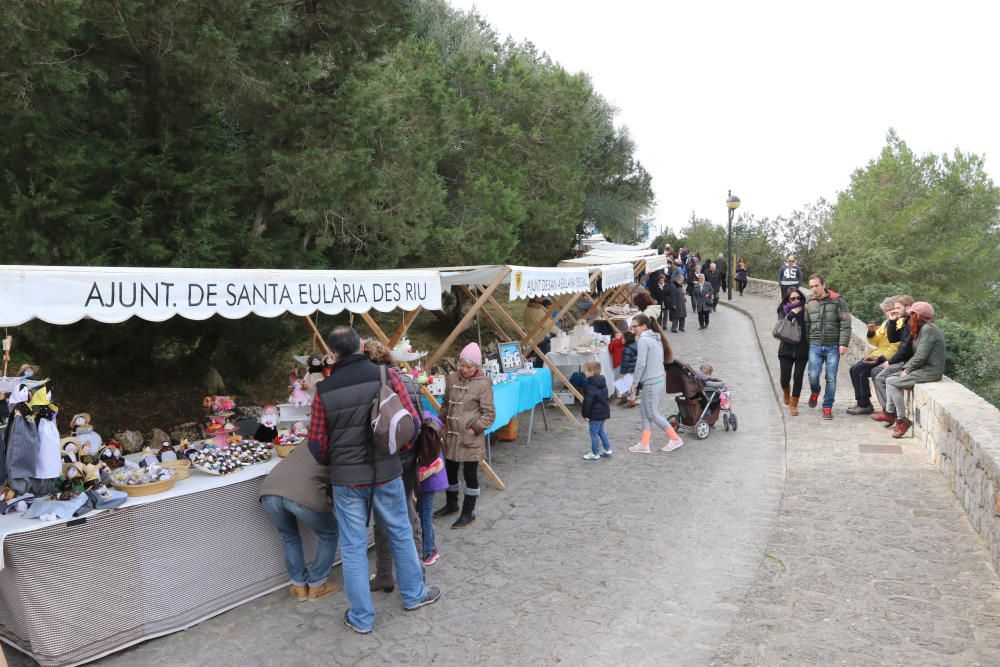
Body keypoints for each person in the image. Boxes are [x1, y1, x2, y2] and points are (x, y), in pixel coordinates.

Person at [307, 326, 439, 635]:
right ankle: (414, 595)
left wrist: (338, 464)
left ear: (333, 353)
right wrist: (395, 451)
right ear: (360, 346)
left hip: (346, 480)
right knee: (400, 532)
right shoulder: (385, 376)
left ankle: (362, 618)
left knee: (353, 548)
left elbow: (316, 444)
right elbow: (411, 422)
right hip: (386, 472)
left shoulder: (324, 390)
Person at [363, 340, 422, 594]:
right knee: (403, 512)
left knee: (395, 516)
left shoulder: (377, 379)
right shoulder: (401, 377)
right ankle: (411, 571)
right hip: (404, 453)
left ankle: (393, 574)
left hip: (388, 457)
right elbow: (415, 420)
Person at [259, 446, 342, 601]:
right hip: (303, 494)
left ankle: (299, 589)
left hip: (268, 492)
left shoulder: (308, 440)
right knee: (329, 534)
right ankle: (317, 586)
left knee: (289, 536)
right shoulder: (342, 444)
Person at [433, 342, 495, 529]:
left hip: (469, 438)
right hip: (451, 435)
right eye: (462, 364)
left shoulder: (483, 384)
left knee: (470, 475)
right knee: (450, 470)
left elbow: (489, 414)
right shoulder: (452, 378)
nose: (464, 369)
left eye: (469, 366)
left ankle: (468, 511)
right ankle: (452, 504)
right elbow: (446, 403)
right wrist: (441, 421)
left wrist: (474, 429)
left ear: (476, 366)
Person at [875, 301, 946, 437]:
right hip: (922, 368)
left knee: (894, 383)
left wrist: (907, 369)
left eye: (912, 314)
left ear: (919, 316)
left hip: (930, 371)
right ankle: (890, 413)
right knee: (889, 379)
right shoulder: (922, 328)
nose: (910, 317)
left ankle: (902, 420)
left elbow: (921, 356)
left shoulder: (928, 329)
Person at [626, 314, 684, 453]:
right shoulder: (655, 336)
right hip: (656, 379)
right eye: (631, 326)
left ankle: (675, 438)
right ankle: (644, 444)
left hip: (651, 381)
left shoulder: (644, 340)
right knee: (645, 412)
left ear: (644, 326)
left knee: (652, 413)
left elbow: (640, 364)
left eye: (635, 326)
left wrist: (634, 384)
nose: (632, 329)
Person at [803, 274, 851, 419]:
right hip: (815, 345)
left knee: (831, 378)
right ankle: (815, 391)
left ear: (823, 285)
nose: (814, 289)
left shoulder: (838, 301)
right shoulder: (808, 302)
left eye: (816, 285)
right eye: (811, 286)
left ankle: (827, 406)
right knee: (813, 375)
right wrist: (807, 344)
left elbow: (845, 323)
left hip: (833, 346)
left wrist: (843, 343)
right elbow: (806, 325)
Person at [846, 297, 900, 415]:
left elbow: (895, 347)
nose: (888, 312)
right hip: (877, 354)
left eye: (891, 309)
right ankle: (862, 402)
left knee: (858, 370)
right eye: (886, 310)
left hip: (886, 357)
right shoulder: (886, 323)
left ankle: (864, 404)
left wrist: (880, 359)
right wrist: (871, 332)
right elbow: (876, 342)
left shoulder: (899, 323)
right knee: (853, 370)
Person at [872, 295, 915, 419]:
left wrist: (890, 362)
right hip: (902, 359)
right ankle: (887, 409)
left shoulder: (911, 322)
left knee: (881, 377)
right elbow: (894, 338)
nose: (895, 310)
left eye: (898, 308)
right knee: (875, 371)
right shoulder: (905, 320)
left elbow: (906, 349)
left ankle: (890, 413)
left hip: (907, 362)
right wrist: (892, 320)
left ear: (908, 308)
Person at [776, 287, 810, 416]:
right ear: (788, 300)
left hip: (802, 349)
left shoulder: (806, 310)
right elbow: (780, 326)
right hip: (786, 349)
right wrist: (791, 315)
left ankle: (794, 404)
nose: (796, 300)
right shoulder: (782, 310)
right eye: (793, 298)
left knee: (798, 377)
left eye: (798, 298)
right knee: (785, 378)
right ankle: (786, 392)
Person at [415, 434, 447, 565]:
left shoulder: (424, 433)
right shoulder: (431, 426)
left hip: (428, 482)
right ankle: (431, 546)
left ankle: (428, 552)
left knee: (425, 516)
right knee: (423, 514)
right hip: (432, 481)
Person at [581, 361, 612, 460]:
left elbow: (587, 402)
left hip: (595, 414)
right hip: (603, 412)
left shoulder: (590, 385)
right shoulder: (602, 381)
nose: (584, 372)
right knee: (601, 431)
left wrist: (585, 414)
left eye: (585, 370)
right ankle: (607, 449)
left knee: (593, 433)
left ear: (591, 372)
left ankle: (595, 453)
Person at [524, 296, 561, 368]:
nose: (543, 297)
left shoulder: (530, 308)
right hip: (539, 338)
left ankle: (541, 366)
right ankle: (544, 368)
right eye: (541, 296)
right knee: (544, 355)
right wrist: (560, 332)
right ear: (535, 297)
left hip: (533, 337)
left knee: (542, 355)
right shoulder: (537, 310)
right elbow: (548, 325)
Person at [618, 330, 638, 406]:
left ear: (626, 340)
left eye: (622, 338)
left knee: (628, 385)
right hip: (634, 369)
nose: (621, 339)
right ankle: (628, 399)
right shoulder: (635, 345)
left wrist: (623, 372)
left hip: (628, 370)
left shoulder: (626, 349)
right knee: (631, 385)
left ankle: (631, 401)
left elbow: (625, 362)